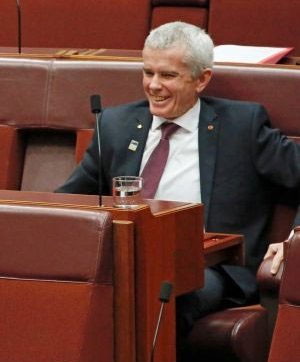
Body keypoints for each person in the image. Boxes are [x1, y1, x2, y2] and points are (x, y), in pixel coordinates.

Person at [56, 21, 300, 339]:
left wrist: (295, 237)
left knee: (160, 291)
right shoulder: (117, 124)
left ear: (201, 79)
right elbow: (69, 199)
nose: (154, 85)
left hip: (207, 267)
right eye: (148, 72)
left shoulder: (241, 126)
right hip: (124, 259)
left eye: (168, 75)